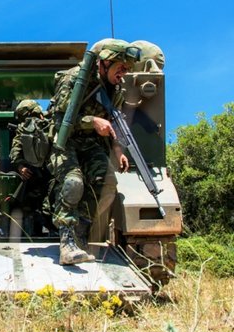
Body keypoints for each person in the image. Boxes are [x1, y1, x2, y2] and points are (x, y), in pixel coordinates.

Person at [48, 39, 139, 265]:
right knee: (73, 182)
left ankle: (79, 235)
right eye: (121, 67)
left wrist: (118, 151)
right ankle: (66, 243)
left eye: (127, 69)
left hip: (90, 143)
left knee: (106, 183)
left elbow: (113, 122)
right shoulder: (74, 79)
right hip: (64, 140)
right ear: (105, 63)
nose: (124, 73)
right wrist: (92, 121)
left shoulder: (115, 89)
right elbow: (59, 121)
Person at [8, 99, 54, 238]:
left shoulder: (50, 126)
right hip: (35, 177)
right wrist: (21, 166)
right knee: (31, 208)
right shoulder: (24, 129)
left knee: (48, 208)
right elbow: (15, 153)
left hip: (50, 176)